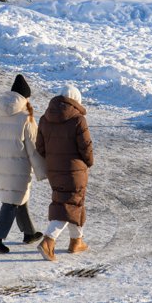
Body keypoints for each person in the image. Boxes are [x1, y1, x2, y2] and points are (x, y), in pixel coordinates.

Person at [0, 74, 47, 254]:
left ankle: (29, 233)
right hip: (18, 167)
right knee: (11, 203)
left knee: (18, 198)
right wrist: (43, 171)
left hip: (0, 165)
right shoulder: (25, 118)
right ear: (25, 98)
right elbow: (33, 149)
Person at [35, 84, 94, 262]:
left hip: (54, 169)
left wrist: (53, 160)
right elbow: (86, 146)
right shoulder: (78, 119)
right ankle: (48, 240)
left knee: (72, 202)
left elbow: (40, 147)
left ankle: (77, 241)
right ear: (76, 101)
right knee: (68, 205)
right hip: (74, 170)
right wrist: (89, 162)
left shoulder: (45, 118)